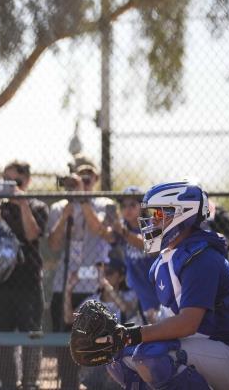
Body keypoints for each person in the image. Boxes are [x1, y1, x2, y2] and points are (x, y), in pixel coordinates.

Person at [104, 181, 229, 389]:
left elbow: (187, 324)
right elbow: (169, 322)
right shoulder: (169, 256)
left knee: (151, 355)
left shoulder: (201, 257)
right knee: (120, 354)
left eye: (160, 214)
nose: (152, 220)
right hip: (208, 347)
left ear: (182, 215)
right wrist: (122, 335)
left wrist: (134, 334)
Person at [47, 158, 114, 389]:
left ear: (95, 180)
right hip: (64, 283)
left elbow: (101, 230)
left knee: (94, 340)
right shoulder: (59, 207)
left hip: (94, 284)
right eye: (79, 178)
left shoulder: (106, 204)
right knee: (65, 343)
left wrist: (82, 200)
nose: (83, 183)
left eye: (88, 179)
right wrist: (66, 213)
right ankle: (68, 384)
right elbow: (54, 245)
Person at [0, 161, 48, 390]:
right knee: (2, 337)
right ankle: (9, 383)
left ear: (27, 182)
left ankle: (30, 382)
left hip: (28, 279)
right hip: (1, 282)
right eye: (7, 182)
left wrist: (22, 204)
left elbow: (32, 234)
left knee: (32, 334)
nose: (12, 188)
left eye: (17, 183)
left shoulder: (37, 206)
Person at [64, 259, 138, 390]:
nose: (104, 276)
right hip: (97, 355)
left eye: (109, 272)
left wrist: (106, 285)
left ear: (121, 277)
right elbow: (69, 318)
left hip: (119, 354)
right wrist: (68, 290)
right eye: (102, 273)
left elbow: (125, 308)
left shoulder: (130, 295)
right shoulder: (92, 300)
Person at [108, 186, 160, 324]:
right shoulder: (122, 225)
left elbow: (151, 247)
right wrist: (107, 224)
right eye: (124, 206)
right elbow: (109, 238)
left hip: (155, 285)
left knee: (157, 325)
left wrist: (124, 233)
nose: (127, 209)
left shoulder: (152, 223)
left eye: (132, 205)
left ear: (142, 206)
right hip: (136, 288)